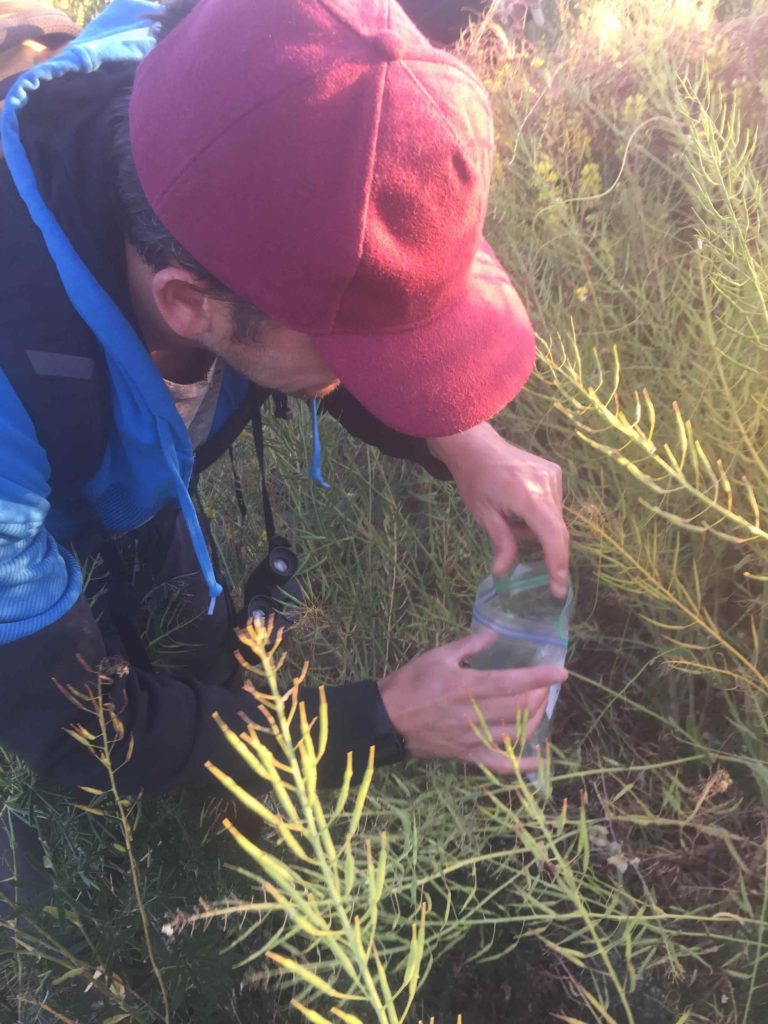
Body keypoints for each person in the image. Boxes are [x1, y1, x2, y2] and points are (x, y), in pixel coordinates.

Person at [0, 0, 569, 833]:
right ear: (190, 305)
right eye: (356, 352)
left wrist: (464, 441)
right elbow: (79, 723)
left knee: (182, 631)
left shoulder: (240, 74)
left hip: (116, 450)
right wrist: (383, 719)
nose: (375, 378)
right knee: (88, 807)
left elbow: (336, 276)